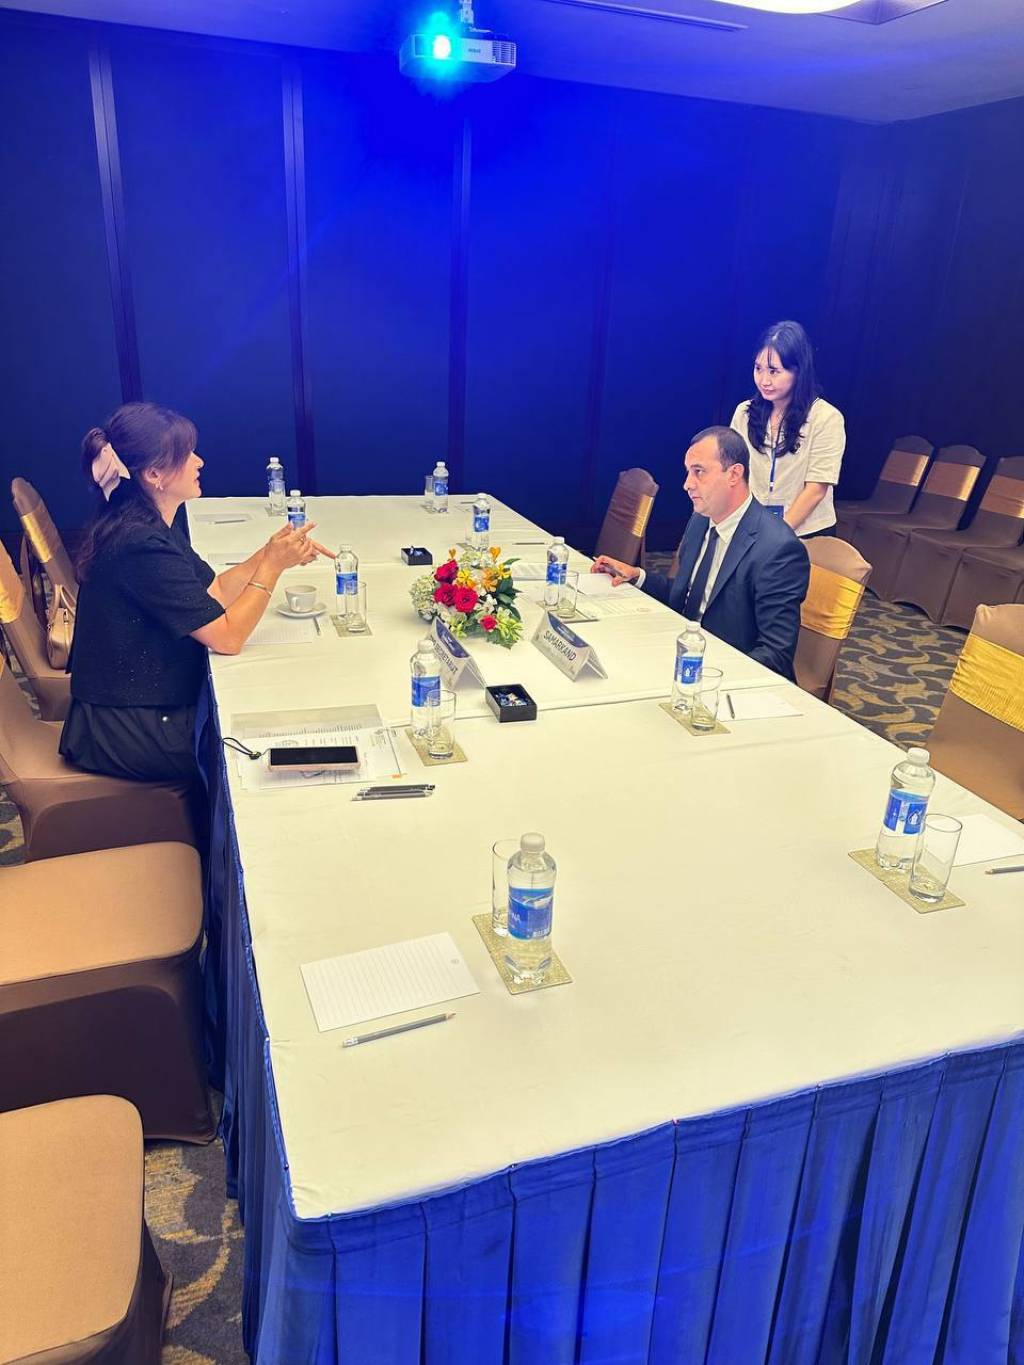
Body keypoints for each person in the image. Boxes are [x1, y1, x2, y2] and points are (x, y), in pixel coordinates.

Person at [60, 401, 331, 784]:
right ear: (154, 474)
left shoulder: (146, 520)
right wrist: (272, 568)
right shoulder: (139, 543)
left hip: (142, 704)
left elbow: (214, 590)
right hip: (126, 727)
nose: (199, 462)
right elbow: (228, 638)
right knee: (260, 745)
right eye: (186, 455)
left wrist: (272, 552)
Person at [594, 426, 809, 680]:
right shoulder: (701, 520)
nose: (687, 484)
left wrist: (704, 676)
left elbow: (775, 654)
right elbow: (685, 596)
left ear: (734, 474)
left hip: (727, 677)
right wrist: (638, 576)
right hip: (684, 655)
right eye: (688, 472)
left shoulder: (777, 548)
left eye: (699, 472)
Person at [730, 320, 845, 538]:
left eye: (774, 371)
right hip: (753, 527)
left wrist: (775, 536)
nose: (764, 380)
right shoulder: (744, 412)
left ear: (798, 371)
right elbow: (734, 472)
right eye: (758, 369)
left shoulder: (825, 417)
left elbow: (816, 489)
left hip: (807, 531)